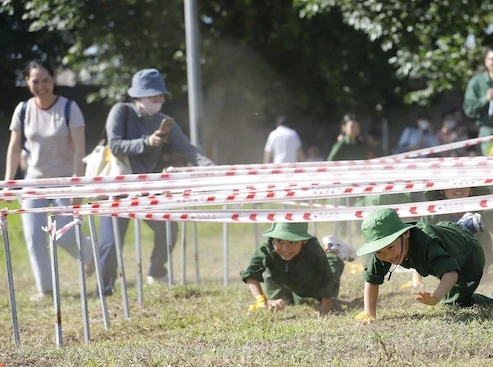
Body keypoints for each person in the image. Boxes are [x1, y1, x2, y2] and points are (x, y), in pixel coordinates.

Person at [97, 68, 214, 295]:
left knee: (169, 226)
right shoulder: (120, 111)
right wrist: (146, 142)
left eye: (161, 97)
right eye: (153, 97)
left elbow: (187, 148)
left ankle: (156, 271)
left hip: (147, 188)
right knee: (110, 244)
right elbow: (116, 145)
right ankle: (104, 289)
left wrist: (210, 169)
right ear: (139, 97)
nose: (159, 101)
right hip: (116, 187)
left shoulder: (164, 121)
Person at [4, 59, 93, 302]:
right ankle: (45, 289)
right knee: (34, 236)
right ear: (27, 82)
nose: (41, 86)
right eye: (35, 81)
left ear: (53, 80)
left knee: (64, 234)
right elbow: (14, 149)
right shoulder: (23, 110)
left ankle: (90, 256)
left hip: (65, 178)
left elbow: (79, 150)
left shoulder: (69, 108)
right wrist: (9, 183)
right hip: (33, 181)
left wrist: (77, 185)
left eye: (46, 80)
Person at [355, 208, 493, 322]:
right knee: (440, 236)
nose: (387, 255)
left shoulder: (427, 244)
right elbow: (372, 280)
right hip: (446, 232)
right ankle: (466, 225)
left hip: (468, 255)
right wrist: (370, 314)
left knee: (454, 303)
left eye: (390, 247)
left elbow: (451, 274)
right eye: (379, 251)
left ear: (405, 234)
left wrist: (435, 298)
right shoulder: (383, 252)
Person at [241, 222, 356, 316]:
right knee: (285, 300)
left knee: (331, 275)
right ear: (272, 239)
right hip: (281, 276)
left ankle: (332, 249)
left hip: (309, 275)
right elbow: (251, 273)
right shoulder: (266, 248)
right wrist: (262, 301)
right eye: (280, 241)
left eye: (292, 242)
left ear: (304, 241)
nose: (285, 248)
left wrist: (325, 311)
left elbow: (326, 279)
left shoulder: (312, 248)